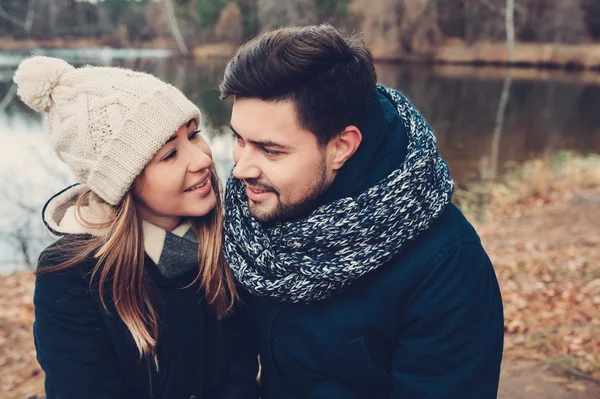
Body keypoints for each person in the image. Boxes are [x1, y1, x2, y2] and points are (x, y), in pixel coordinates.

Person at [219, 24, 504, 399]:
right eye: (239, 139)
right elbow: (229, 369)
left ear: (341, 146)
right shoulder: (249, 221)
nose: (240, 169)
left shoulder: (446, 266)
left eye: (270, 150)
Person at [13, 56, 237, 399]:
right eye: (170, 155)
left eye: (194, 135)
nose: (202, 159)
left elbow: (239, 375)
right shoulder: (73, 277)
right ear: (122, 182)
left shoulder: (224, 237)